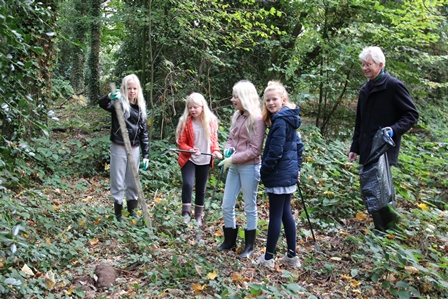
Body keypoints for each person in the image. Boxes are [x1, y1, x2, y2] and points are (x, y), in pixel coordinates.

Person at [348, 46, 419, 231]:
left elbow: (411, 114)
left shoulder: (394, 86)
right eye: (363, 65)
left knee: (382, 190)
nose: (364, 68)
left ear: (380, 64)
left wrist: (394, 130)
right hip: (367, 147)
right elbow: (360, 122)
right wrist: (354, 147)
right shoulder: (365, 89)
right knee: (370, 190)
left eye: (368, 64)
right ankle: (380, 227)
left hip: (384, 148)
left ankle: (388, 229)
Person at [254, 81, 304, 269]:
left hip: (278, 174)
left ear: (283, 100)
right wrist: (296, 168)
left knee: (276, 215)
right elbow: (299, 146)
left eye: (274, 99)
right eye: (267, 100)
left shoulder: (281, 121)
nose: (271, 103)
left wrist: (263, 172)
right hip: (287, 173)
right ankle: (292, 256)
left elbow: (275, 152)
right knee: (285, 213)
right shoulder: (288, 118)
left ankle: (268, 258)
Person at [217, 80, 266, 259]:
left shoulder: (258, 120)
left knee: (249, 206)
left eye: (236, 96)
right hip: (234, 165)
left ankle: (249, 245)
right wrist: (227, 149)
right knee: (227, 204)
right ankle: (229, 240)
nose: (232, 99)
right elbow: (231, 138)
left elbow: (255, 150)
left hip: (249, 167)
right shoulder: (237, 116)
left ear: (245, 97)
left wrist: (233, 158)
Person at [99, 74, 149, 222]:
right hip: (119, 146)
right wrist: (109, 96)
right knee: (118, 180)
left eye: (134, 88)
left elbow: (144, 133)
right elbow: (101, 104)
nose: (132, 91)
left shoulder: (141, 108)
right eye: (129, 88)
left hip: (134, 148)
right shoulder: (119, 104)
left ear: (138, 89)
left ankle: (133, 212)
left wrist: (146, 155)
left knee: (133, 180)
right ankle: (118, 215)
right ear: (124, 89)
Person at [175, 92, 222, 226]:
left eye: (195, 107)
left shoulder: (211, 121)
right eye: (190, 107)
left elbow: (214, 140)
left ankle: (198, 216)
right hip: (189, 158)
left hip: (205, 159)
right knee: (188, 184)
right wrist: (190, 150)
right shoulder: (185, 121)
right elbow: (181, 142)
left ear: (202, 107)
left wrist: (216, 151)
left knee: (201, 188)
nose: (192, 110)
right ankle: (185, 213)